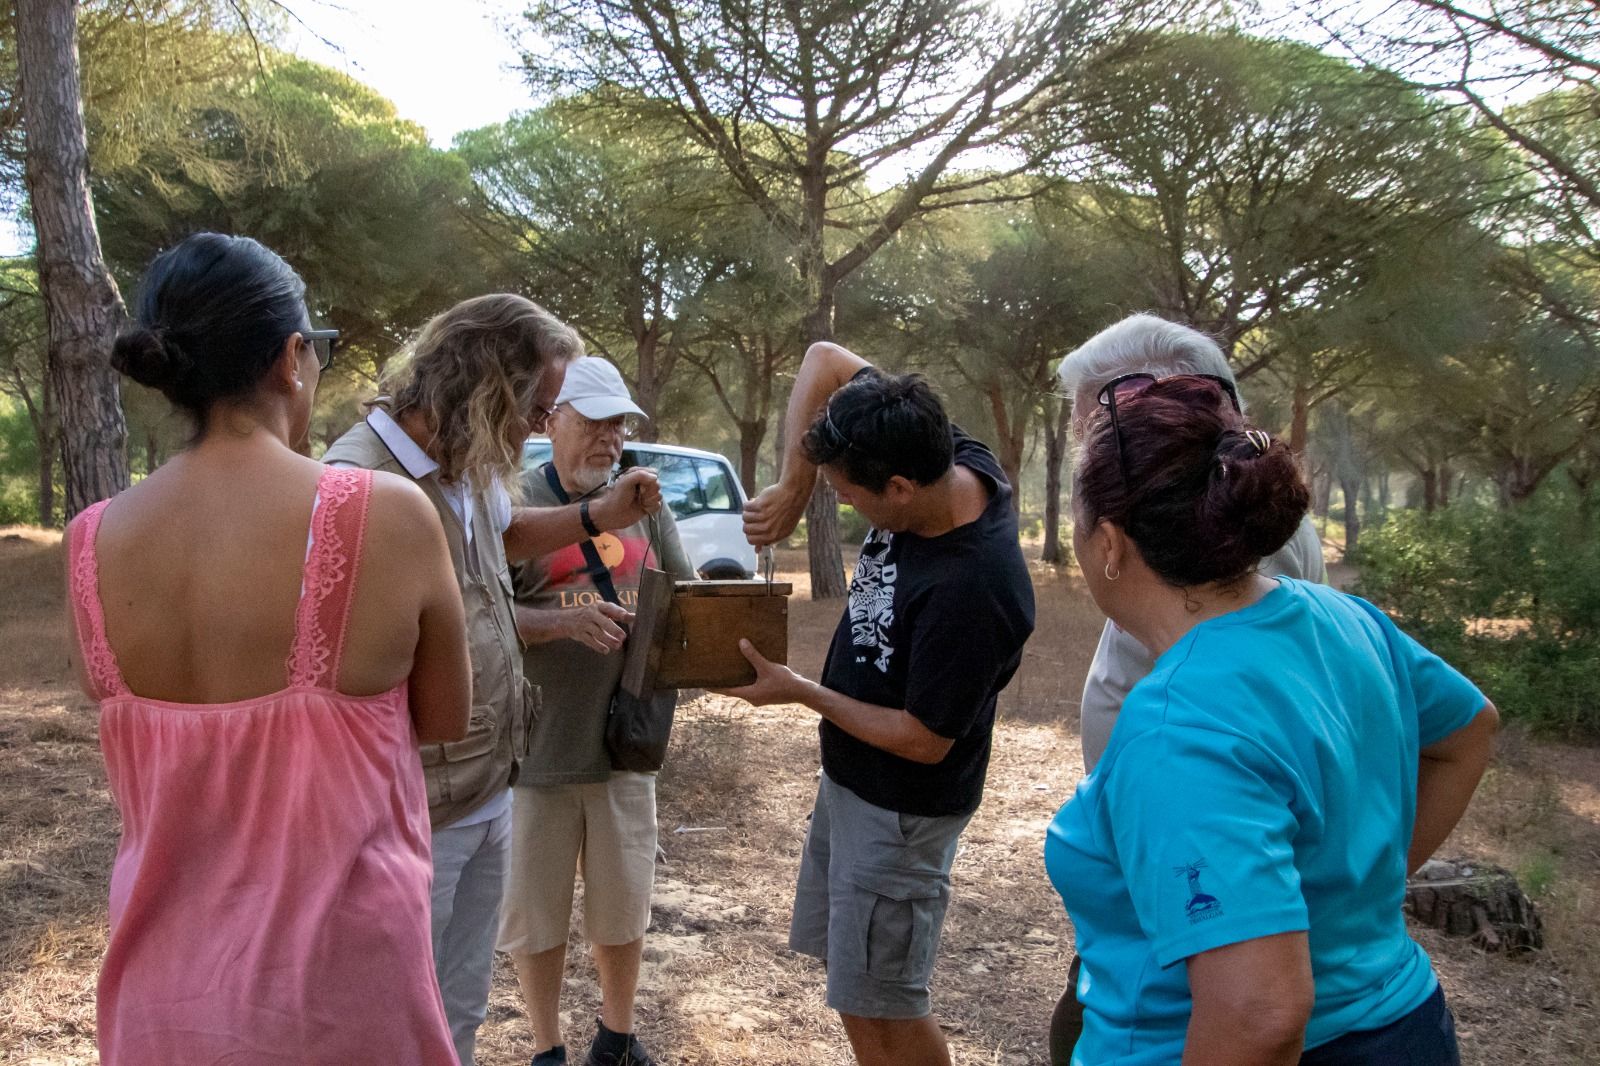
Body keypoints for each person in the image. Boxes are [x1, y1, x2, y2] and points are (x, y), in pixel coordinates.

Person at [68, 232, 471, 1065]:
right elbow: (446, 715)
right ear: (292, 357)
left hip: (160, 1005)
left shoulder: (90, 544)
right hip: (338, 1002)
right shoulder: (387, 516)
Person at [1045, 374, 1498, 1065]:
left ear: (1109, 542)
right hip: (1405, 1025)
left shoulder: (1178, 726)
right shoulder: (1342, 618)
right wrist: (1345, 895)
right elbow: (1468, 732)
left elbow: (1259, 1018)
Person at [323, 297, 662, 1066]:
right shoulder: (359, 485)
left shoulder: (461, 462)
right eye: (537, 410)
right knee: (396, 1015)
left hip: (485, 787)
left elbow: (502, 533)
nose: (539, 431)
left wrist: (595, 515)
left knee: (459, 1004)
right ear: (487, 388)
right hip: (408, 807)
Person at [732, 341, 1036, 1066]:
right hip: (855, 785)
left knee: (890, 1003)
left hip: (902, 812)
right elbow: (824, 359)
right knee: (858, 995)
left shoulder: (974, 588)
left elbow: (926, 738)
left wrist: (803, 691)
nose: (841, 500)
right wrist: (794, 484)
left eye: (847, 491)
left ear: (899, 488)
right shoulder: (937, 448)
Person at [497, 356, 696, 1066]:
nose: (611, 438)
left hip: (623, 744)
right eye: (596, 421)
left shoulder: (645, 501)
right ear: (552, 421)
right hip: (537, 748)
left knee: (622, 902)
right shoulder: (511, 501)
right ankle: (547, 1046)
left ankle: (615, 1038)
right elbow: (478, 615)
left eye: (620, 424)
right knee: (535, 914)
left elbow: (685, 595)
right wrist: (559, 622)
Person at [1057, 314, 1327, 773]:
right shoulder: (1169, 525)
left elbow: (1243, 753)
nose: (1092, 467)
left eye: (1100, 438)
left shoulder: (1236, 533)